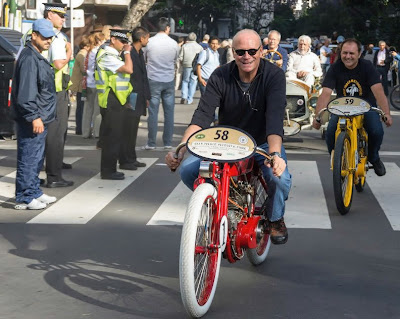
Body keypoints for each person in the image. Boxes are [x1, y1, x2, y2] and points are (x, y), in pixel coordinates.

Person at [165, 29, 292, 245]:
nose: (246, 56)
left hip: (261, 142)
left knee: (279, 179)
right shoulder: (220, 75)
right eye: (240, 51)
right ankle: (227, 202)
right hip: (225, 142)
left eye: (252, 51)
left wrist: (275, 154)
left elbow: (274, 120)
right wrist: (181, 148)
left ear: (261, 51)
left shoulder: (274, 75)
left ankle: (275, 218)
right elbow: (202, 115)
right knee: (187, 170)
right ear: (232, 52)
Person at [312, 38, 392, 176]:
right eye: (344, 53)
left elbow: (378, 91)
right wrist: (318, 117)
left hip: (366, 105)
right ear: (340, 53)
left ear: (359, 54)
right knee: (331, 132)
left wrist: (386, 114)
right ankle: (337, 158)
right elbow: (325, 93)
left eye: (351, 53)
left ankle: (373, 157)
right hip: (342, 106)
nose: (347, 56)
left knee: (376, 131)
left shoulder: (367, 67)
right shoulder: (335, 68)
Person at [12, 19, 57, 210]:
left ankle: (34, 190)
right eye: (45, 37)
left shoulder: (36, 55)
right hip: (33, 118)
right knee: (29, 157)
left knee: (36, 157)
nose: (48, 40)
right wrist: (34, 116)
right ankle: (25, 196)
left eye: (50, 37)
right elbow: (27, 93)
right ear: (34, 36)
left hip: (40, 115)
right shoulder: (30, 58)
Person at [42, 3, 74, 188]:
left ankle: (50, 169)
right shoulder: (55, 37)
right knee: (56, 133)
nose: (63, 19)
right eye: (60, 15)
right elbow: (59, 64)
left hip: (43, 89)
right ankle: (54, 176)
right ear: (49, 15)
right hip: (55, 90)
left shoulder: (31, 33)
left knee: (42, 134)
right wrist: (69, 51)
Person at [95, 28, 133, 180]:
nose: (124, 45)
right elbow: (129, 69)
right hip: (110, 100)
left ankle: (110, 169)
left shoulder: (113, 54)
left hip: (117, 99)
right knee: (112, 137)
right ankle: (108, 171)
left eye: (126, 42)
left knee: (115, 136)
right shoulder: (106, 55)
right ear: (113, 40)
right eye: (122, 41)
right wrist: (128, 53)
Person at [142, 17, 180, 150]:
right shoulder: (174, 44)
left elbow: (144, 58)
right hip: (168, 79)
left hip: (152, 79)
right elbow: (175, 60)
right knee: (169, 113)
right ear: (167, 28)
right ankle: (167, 142)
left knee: (153, 112)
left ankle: (151, 143)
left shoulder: (149, 42)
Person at [118, 26, 151, 170]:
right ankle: (125, 160)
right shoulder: (129, 53)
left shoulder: (140, 52)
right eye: (147, 38)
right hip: (130, 95)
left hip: (140, 95)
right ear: (142, 38)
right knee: (127, 130)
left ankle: (131, 157)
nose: (148, 40)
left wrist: (147, 96)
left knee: (133, 130)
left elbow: (144, 77)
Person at [82, 32, 105, 139]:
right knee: (97, 111)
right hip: (98, 83)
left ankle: (85, 132)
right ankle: (97, 132)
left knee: (87, 109)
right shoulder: (100, 52)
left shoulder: (89, 52)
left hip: (88, 82)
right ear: (99, 41)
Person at [70, 36, 90, 135]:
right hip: (80, 85)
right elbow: (84, 69)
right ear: (86, 46)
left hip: (79, 84)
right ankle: (80, 128)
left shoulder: (81, 53)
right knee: (81, 108)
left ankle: (79, 127)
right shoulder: (82, 54)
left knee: (80, 107)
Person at [179, 32, 203, 105]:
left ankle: (184, 96)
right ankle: (190, 99)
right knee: (193, 81)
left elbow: (180, 57)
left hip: (186, 65)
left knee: (185, 81)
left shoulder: (184, 46)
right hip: (195, 66)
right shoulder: (199, 47)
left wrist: (182, 63)